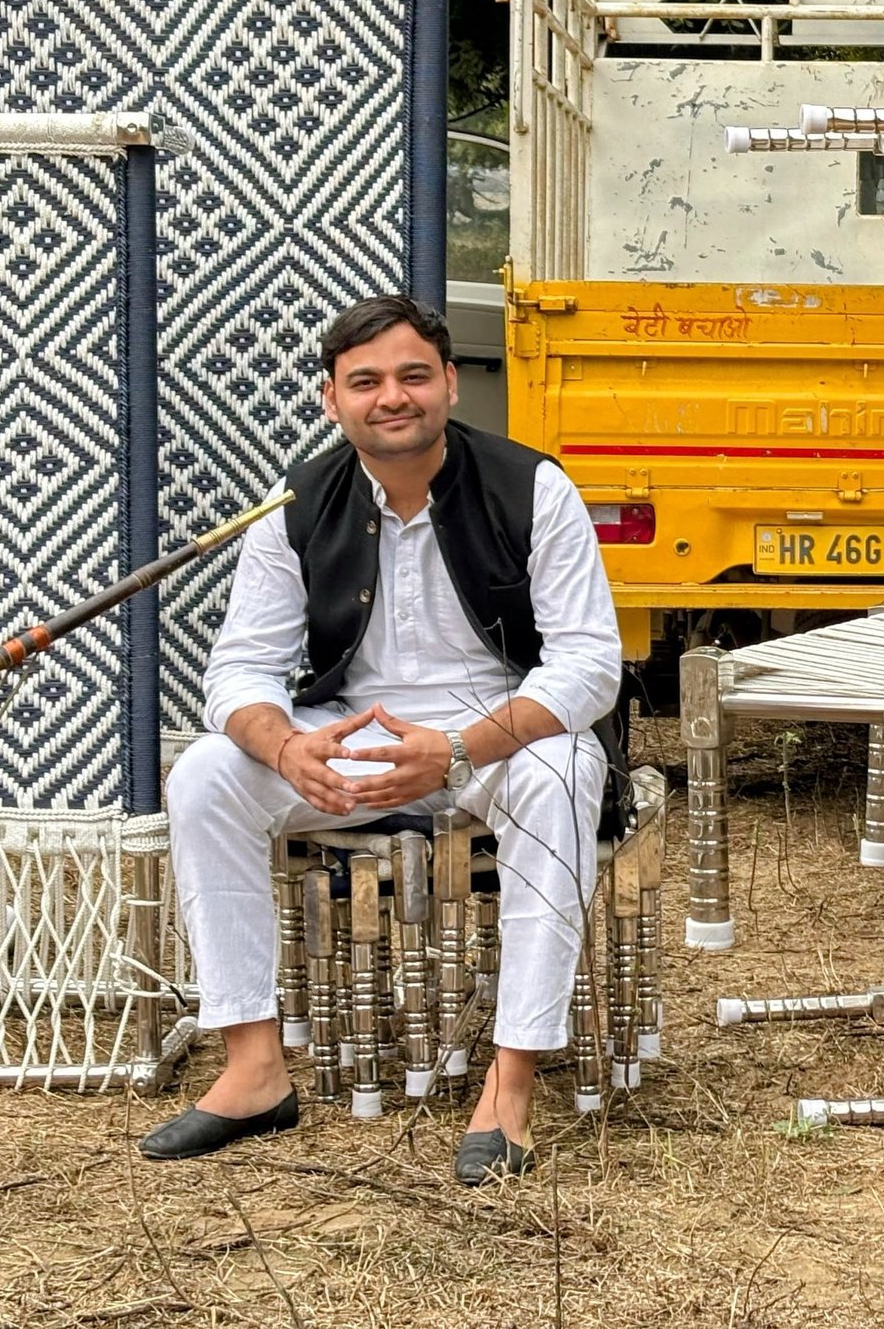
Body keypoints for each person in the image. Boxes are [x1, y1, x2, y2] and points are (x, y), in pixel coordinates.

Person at [138, 294, 621, 1183]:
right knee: (207, 772)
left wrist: (462, 748)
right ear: (332, 400)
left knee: (561, 770)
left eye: (411, 375)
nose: (390, 397)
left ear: (449, 383)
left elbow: (590, 666)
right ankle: (252, 1068)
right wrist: (286, 749)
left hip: (499, 738)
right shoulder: (296, 507)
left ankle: (508, 1087)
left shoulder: (532, 486)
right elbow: (238, 673)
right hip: (353, 737)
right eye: (365, 382)